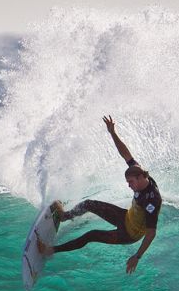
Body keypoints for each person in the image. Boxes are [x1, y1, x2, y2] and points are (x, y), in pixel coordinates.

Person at [38, 115, 161, 274]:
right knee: (89, 204)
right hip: (126, 217)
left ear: (140, 178)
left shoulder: (152, 200)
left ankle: (50, 250)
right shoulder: (139, 172)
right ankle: (63, 216)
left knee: (91, 235)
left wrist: (137, 257)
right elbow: (126, 154)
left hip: (129, 234)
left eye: (130, 182)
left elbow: (151, 233)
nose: (128, 185)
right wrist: (112, 133)